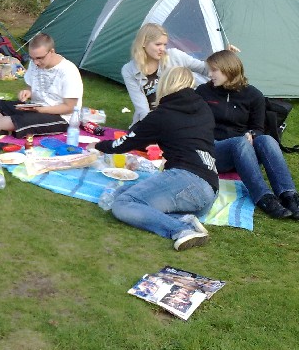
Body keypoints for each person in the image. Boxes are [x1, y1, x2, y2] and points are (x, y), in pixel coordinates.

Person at [95, 67, 219, 251]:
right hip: (209, 191)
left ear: (165, 84)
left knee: (123, 204)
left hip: (187, 180)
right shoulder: (203, 108)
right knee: (122, 193)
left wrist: (98, 146)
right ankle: (185, 220)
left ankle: (181, 230)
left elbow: (126, 142)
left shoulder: (163, 114)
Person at [196, 50, 299, 219]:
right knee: (239, 142)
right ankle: (264, 198)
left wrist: (252, 134)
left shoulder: (253, 95)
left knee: (266, 140)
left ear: (228, 70)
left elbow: (258, 128)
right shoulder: (203, 92)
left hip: (244, 154)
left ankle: (289, 195)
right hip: (214, 150)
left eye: (214, 70)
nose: (209, 74)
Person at [0, 33, 83, 139]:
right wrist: (27, 92)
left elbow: (69, 108)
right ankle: (0, 129)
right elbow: (31, 87)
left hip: (62, 117)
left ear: (51, 52)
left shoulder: (68, 71)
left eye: (39, 58)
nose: (35, 62)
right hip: (35, 108)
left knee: (21, 119)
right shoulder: (34, 63)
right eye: (32, 58)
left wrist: (41, 110)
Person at [122, 23, 211, 124]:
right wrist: (151, 124)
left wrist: (222, 63)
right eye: (158, 44)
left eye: (164, 44)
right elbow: (142, 107)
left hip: (180, 114)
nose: (163, 49)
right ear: (144, 43)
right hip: (151, 117)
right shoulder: (129, 70)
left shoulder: (174, 56)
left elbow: (205, 69)